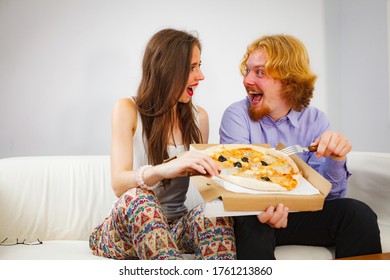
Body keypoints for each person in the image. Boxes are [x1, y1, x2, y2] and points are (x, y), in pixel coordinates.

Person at [219, 34, 382, 259]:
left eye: (260, 72)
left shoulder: (316, 120)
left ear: (289, 80)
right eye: (247, 71)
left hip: (300, 214)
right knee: (251, 225)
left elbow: (329, 197)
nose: (247, 81)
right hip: (255, 214)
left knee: (358, 214)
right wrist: (271, 207)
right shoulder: (237, 115)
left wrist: (336, 159)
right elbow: (239, 180)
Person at [89, 28, 236, 260]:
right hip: (125, 230)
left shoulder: (200, 118)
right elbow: (119, 184)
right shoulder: (127, 109)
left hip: (174, 227)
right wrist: (165, 168)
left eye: (200, 66)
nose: (201, 76)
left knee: (215, 213)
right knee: (140, 197)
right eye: (192, 68)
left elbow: (206, 186)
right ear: (167, 69)